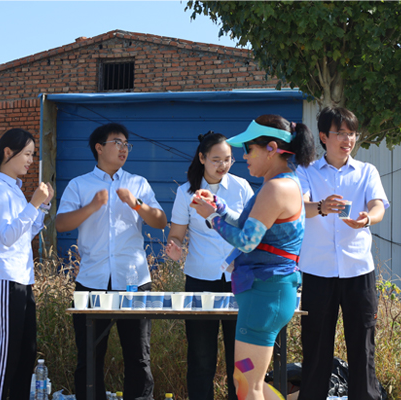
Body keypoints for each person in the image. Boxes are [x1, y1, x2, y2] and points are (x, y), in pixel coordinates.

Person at [190, 114, 315, 400]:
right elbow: (249, 225)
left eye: (248, 149)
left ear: (272, 149)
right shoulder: (283, 183)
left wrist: (211, 217)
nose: (243, 156)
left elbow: (247, 241)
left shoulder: (275, 188)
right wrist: (219, 207)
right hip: (267, 296)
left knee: (247, 385)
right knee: (246, 381)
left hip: (264, 298)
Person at [56, 122, 167, 400]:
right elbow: (60, 223)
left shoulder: (137, 183)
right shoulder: (79, 184)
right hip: (92, 280)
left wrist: (136, 203)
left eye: (127, 144)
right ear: (99, 147)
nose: (123, 148)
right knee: (90, 356)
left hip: (133, 280)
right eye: (117, 142)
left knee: (138, 356)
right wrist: (92, 206)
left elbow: (160, 221)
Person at [296, 107, 389, 400]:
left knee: (363, 347)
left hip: (358, 269)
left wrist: (367, 218)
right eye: (340, 133)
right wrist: (321, 207)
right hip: (317, 270)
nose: (347, 139)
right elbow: (299, 207)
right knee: (315, 347)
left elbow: (378, 206)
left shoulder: (367, 171)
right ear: (324, 137)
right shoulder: (306, 171)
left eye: (352, 133)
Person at [166, 131, 254, 400]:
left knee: (240, 357)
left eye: (228, 159)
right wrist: (174, 247)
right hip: (200, 279)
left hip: (240, 280)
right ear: (202, 158)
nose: (223, 165)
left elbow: (252, 229)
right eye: (216, 160)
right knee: (201, 357)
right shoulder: (186, 192)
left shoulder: (242, 187)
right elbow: (176, 234)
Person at [0, 128, 53, 400]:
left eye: (33, 155)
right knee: (7, 353)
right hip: (3, 279)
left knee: (26, 352)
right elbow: (8, 236)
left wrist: (42, 206)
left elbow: (25, 233)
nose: (31, 160)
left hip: (21, 280)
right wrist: (34, 203)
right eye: (27, 154)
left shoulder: (14, 191)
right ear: (8, 153)